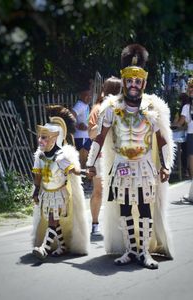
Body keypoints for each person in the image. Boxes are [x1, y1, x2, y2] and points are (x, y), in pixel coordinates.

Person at [86, 44, 175, 269]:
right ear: (124, 82)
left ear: (143, 83)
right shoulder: (111, 108)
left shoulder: (151, 109)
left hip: (144, 166)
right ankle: (130, 249)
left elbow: (162, 139)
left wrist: (166, 166)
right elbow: (99, 138)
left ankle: (144, 252)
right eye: (130, 81)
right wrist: (91, 164)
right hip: (122, 166)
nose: (133, 85)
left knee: (145, 207)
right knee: (125, 208)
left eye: (138, 82)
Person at [31, 114, 89, 260]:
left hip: (59, 195)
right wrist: (36, 191)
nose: (40, 140)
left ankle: (43, 248)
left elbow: (73, 171)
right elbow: (38, 176)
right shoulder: (40, 157)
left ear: (55, 137)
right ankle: (62, 246)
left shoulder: (61, 157)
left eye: (44, 137)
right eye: (40, 137)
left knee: (52, 219)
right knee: (54, 221)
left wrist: (85, 172)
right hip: (46, 194)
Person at [88, 76, 121, 236]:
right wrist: (103, 120)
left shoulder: (125, 108)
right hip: (100, 156)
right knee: (99, 190)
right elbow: (91, 134)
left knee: (120, 191)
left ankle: (118, 225)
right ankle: (95, 224)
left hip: (119, 156)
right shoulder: (98, 108)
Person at [173, 77, 193, 201]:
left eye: (191, 87)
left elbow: (181, 123)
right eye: (189, 87)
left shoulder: (187, 106)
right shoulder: (187, 106)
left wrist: (170, 125)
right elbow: (182, 122)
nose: (190, 90)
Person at [71, 88, 92, 169]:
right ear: (81, 95)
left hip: (85, 137)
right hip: (81, 138)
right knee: (82, 163)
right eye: (86, 95)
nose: (89, 97)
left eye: (90, 95)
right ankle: (81, 181)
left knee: (85, 163)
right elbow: (71, 115)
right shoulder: (80, 105)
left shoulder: (85, 105)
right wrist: (77, 126)